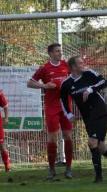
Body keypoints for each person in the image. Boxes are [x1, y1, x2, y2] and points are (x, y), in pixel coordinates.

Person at [60, 56, 107, 183]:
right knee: (101, 147)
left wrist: (90, 89)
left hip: (99, 111)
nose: (83, 65)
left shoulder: (89, 74)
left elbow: (104, 82)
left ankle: (98, 177)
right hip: (87, 116)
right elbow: (62, 99)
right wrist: (68, 114)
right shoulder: (66, 83)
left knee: (92, 142)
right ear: (73, 67)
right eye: (80, 63)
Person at [27, 43, 75, 180]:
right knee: (53, 138)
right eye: (57, 51)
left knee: (68, 136)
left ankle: (69, 168)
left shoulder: (66, 65)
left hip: (66, 106)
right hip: (51, 107)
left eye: (61, 51)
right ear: (50, 54)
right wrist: (44, 85)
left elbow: (75, 79)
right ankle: (52, 169)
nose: (60, 53)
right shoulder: (45, 68)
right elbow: (30, 83)